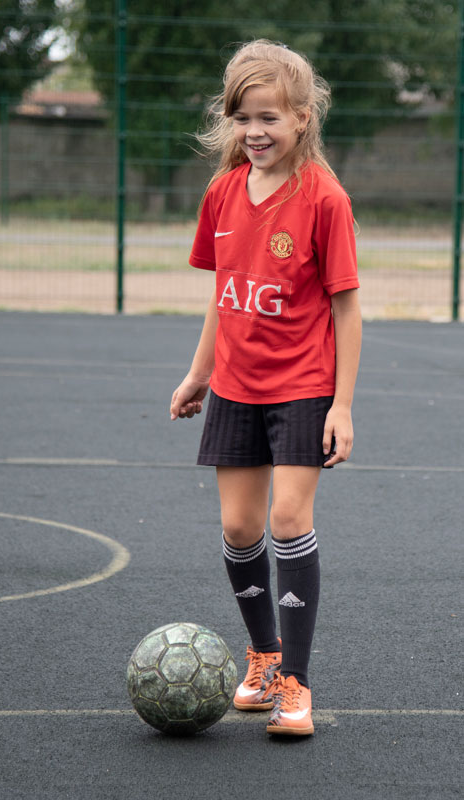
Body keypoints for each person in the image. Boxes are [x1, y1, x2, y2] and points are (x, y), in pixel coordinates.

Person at [170, 39, 362, 736]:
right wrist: (200, 373)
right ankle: (261, 655)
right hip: (236, 388)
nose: (255, 131)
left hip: (303, 386)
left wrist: (340, 404)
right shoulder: (221, 192)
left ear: (302, 118)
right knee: (238, 527)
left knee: (287, 520)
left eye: (270, 118)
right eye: (243, 117)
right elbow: (224, 298)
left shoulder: (323, 200)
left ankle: (296, 685)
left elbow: (345, 307)